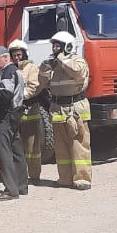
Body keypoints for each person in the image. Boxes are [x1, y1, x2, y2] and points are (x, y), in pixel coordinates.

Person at [39, 31, 91, 189]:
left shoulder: (77, 60)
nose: (54, 49)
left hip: (74, 109)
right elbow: (43, 83)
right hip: (58, 109)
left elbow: (78, 73)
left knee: (78, 145)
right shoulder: (54, 64)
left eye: (58, 46)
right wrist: (45, 67)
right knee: (61, 147)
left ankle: (82, 179)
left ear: (67, 46)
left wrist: (61, 59)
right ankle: (65, 178)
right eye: (54, 46)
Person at [0, 46, 29, 200]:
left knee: (4, 153)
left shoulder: (7, 72)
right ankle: (21, 186)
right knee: (17, 152)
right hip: (15, 115)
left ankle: (11, 189)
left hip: (5, 116)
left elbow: (4, 95)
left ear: (5, 57)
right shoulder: (15, 71)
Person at [8, 39, 45, 182]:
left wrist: (19, 97)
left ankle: (34, 175)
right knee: (16, 145)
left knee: (32, 145)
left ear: (24, 54)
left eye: (19, 54)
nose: (17, 57)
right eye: (14, 55)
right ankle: (18, 175)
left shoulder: (32, 68)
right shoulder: (10, 68)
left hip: (29, 111)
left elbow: (35, 87)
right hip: (13, 112)